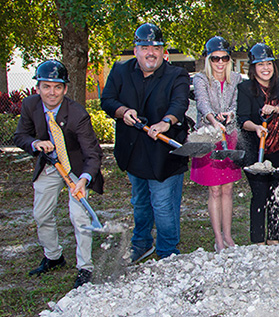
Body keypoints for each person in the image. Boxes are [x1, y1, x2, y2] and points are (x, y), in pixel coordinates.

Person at [100, 23, 190, 263]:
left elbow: (180, 103)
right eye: (145, 47)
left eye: (156, 47)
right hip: (133, 151)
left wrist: (165, 122)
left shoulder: (176, 74)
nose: (151, 52)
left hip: (165, 152)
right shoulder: (120, 71)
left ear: (163, 51)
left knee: (163, 205)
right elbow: (107, 100)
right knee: (140, 202)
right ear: (136, 49)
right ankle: (141, 244)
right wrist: (122, 111)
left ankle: (168, 252)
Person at [14, 60, 104, 288]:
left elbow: (92, 153)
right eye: (46, 86)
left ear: (65, 89)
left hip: (75, 167)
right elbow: (20, 136)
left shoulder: (77, 114)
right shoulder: (29, 105)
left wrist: (84, 180)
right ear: (38, 88)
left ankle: (85, 267)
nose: (51, 92)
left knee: (80, 216)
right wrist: (35, 143)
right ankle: (53, 256)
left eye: (57, 87)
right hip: (49, 164)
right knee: (41, 214)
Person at [237, 42, 279, 245]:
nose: (265, 68)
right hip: (256, 150)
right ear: (253, 67)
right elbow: (242, 118)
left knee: (277, 195)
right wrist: (255, 127)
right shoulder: (245, 88)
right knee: (259, 195)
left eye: (269, 63)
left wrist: (277, 110)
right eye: (260, 64)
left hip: (278, 148)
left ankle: (274, 238)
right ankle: (257, 241)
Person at [191, 36, 243, 252]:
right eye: (215, 59)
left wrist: (230, 115)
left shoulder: (236, 78)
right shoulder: (200, 79)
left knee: (228, 189)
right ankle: (218, 239)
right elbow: (203, 104)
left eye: (224, 58)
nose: (220, 63)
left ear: (229, 59)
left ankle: (229, 236)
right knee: (214, 190)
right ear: (208, 59)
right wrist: (214, 121)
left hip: (229, 136)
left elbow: (236, 104)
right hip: (208, 137)